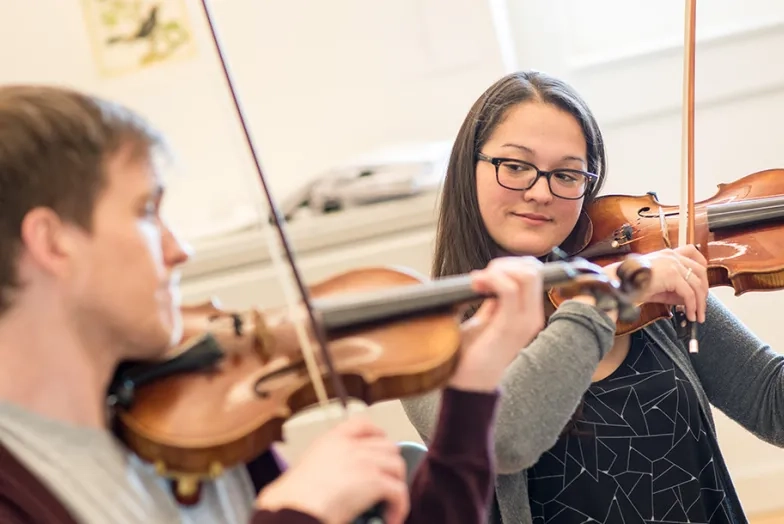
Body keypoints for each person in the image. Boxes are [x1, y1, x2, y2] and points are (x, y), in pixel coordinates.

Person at [0, 84, 560, 524]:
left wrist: (471, 389)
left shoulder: (186, 416)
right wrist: (293, 514)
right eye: (146, 212)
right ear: (52, 242)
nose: (179, 249)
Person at [401, 70, 784, 524]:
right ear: (470, 167)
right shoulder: (425, 337)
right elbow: (504, 441)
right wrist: (603, 300)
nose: (540, 192)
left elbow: (772, 405)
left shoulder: (646, 280)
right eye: (516, 166)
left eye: (566, 174)